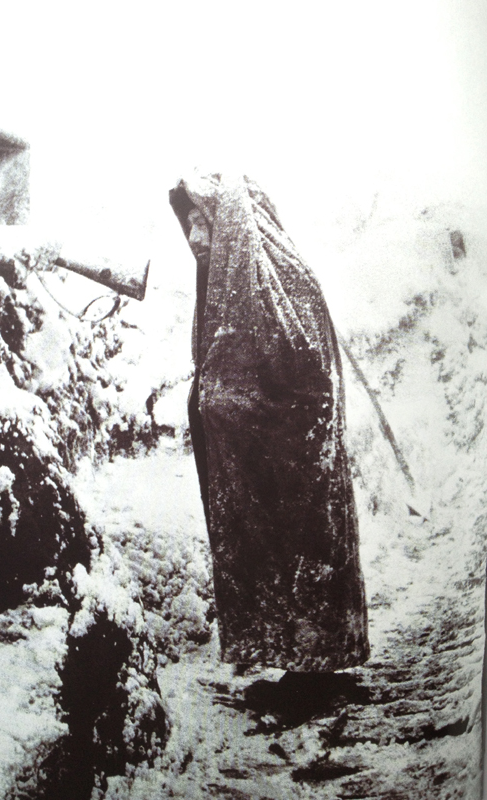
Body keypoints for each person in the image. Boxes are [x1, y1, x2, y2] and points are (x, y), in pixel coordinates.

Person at [169, 172, 369, 678]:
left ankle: (313, 671)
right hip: (253, 473)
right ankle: (286, 663)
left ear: (233, 225)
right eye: (189, 226)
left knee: (303, 566)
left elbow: (310, 386)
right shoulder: (224, 288)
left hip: (293, 474)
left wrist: (239, 411)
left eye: (203, 224)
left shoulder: (287, 285)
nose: (194, 239)